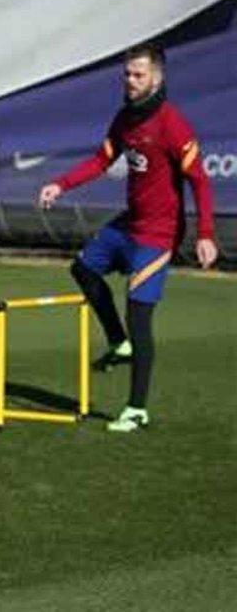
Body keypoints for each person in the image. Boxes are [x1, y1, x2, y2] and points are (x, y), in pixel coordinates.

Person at [38, 42, 215, 433]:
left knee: (141, 317)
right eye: (127, 74)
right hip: (128, 224)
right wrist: (60, 185)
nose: (131, 81)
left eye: (138, 75)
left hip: (158, 235)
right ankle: (119, 342)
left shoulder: (172, 125)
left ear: (157, 77)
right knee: (82, 269)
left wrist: (205, 234)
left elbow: (200, 182)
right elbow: (102, 160)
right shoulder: (124, 119)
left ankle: (136, 408)